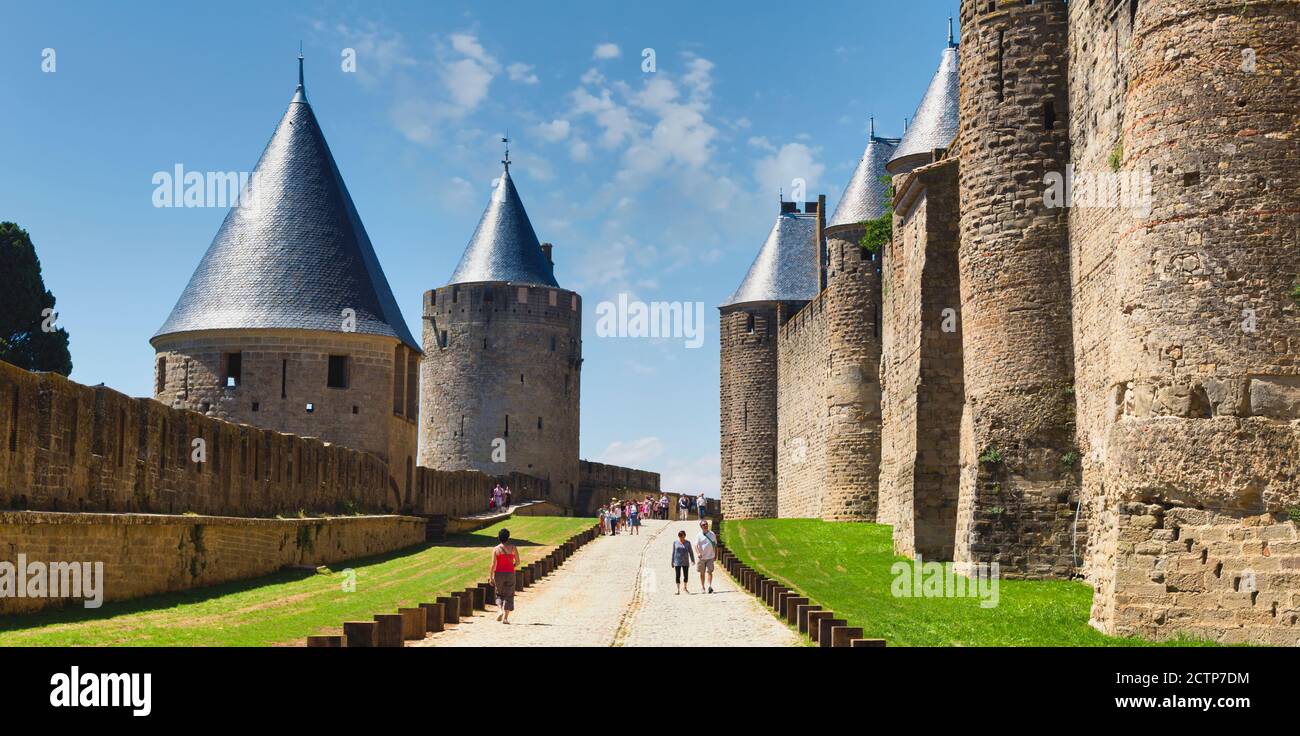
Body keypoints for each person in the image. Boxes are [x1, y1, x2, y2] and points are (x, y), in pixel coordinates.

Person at [490, 528, 521, 623]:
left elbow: (493, 564)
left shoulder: (495, 549)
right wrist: (512, 566)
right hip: (510, 573)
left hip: (499, 573)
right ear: (508, 537)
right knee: (509, 595)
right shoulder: (513, 548)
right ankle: (506, 618)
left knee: (499, 594)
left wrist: (491, 576)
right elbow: (518, 562)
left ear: (499, 538)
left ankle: (500, 610)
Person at [695, 520, 718, 594]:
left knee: (710, 571)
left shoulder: (712, 534)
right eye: (704, 525)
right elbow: (695, 545)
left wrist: (715, 555)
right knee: (702, 573)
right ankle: (702, 587)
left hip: (710, 556)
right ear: (701, 526)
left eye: (706, 524)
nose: (705, 525)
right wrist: (698, 553)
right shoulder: (699, 535)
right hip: (702, 557)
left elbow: (715, 545)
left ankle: (709, 586)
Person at [671, 529, 695, 594]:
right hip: (677, 561)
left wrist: (692, 560)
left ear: (685, 536)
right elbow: (673, 552)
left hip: (685, 561)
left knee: (686, 575)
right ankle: (678, 590)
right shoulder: (675, 542)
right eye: (679, 536)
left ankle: (685, 587)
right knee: (677, 575)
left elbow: (691, 552)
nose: (680, 537)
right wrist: (672, 561)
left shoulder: (688, 543)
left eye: (682, 535)